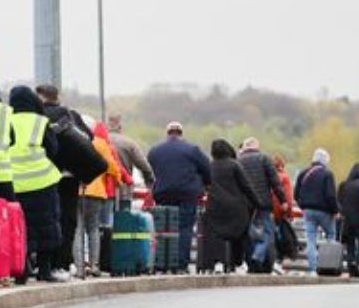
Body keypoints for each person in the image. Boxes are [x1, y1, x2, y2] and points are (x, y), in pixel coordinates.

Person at [8, 86, 63, 282]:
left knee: (21, 227)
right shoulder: (40, 122)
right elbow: (53, 149)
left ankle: (21, 270)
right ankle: (45, 270)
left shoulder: (7, 120)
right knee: (46, 226)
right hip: (43, 181)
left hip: (15, 182)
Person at [35, 84, 91, 280]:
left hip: (42, 175)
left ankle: (43, 263)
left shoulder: (37, 116)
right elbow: (88, 138)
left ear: (41, 97)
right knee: (68, 220)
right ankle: (64, 263)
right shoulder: (71, 115)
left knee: (47, 219)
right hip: (69, 176)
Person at [147, 122, 212, 273]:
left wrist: (153, 185)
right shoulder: (192, 149)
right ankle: (181, 264)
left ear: (167, 133)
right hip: (187, 193)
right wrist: (206, 184)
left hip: (162, 193)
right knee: (184, 227)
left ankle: (162, 262)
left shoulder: (155, 150)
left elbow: (148, 170)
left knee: (163, 228)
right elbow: (207, 168)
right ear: (181, 133)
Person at [78, 120, 129, 277]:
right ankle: (94, 265)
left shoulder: (77, 139)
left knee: (78, 229)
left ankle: (80, 265)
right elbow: (112, 167)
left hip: (78, 191)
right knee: (93, 229)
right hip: (96, 192)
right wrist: (119, 181)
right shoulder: (101, 143)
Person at [204, 139, 262, 273]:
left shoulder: (209, 166)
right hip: (236, 207)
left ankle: (218, 262)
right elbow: (246, 186)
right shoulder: (234, 165)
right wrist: (257, 202)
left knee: (216, 234)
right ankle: (239, 263)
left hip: (215, 206)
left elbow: (204, 185)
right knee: (241, 235)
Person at [237, 137, 288, 274]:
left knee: (248, 234)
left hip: (244, 203)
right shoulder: (264, 158)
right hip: (263, 202)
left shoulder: (238, 161)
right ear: (256, 147)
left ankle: (251, 262)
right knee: (267, 233)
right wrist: (283, 200)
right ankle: (257, 256)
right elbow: (275, 182)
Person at [294, 148, 339, 276]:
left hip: (308, 212)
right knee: (330, 235)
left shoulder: (303, 173)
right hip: (324, 212)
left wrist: (303, 206)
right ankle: (329, 266)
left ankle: (313, 269)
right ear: (325, 161)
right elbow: (331, 196)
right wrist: (335, 211)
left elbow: (296, 194)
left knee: (311, 240)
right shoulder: (327, 174)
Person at [107, 114, 155, 201]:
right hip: (123, 189)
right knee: (123, 213)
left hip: (103, 190)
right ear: (120, 127)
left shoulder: (98, 141)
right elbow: (143, 165)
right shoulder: (129, 143)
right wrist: (149, 180)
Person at [271, 154, 296, 266]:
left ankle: (276, 258)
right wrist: (290, 213)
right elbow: (288, 197)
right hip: (281, 210)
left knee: (273, 235)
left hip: (271, 211)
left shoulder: (268, 176)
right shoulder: (284, 177)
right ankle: (286, 256)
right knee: (285, 234)